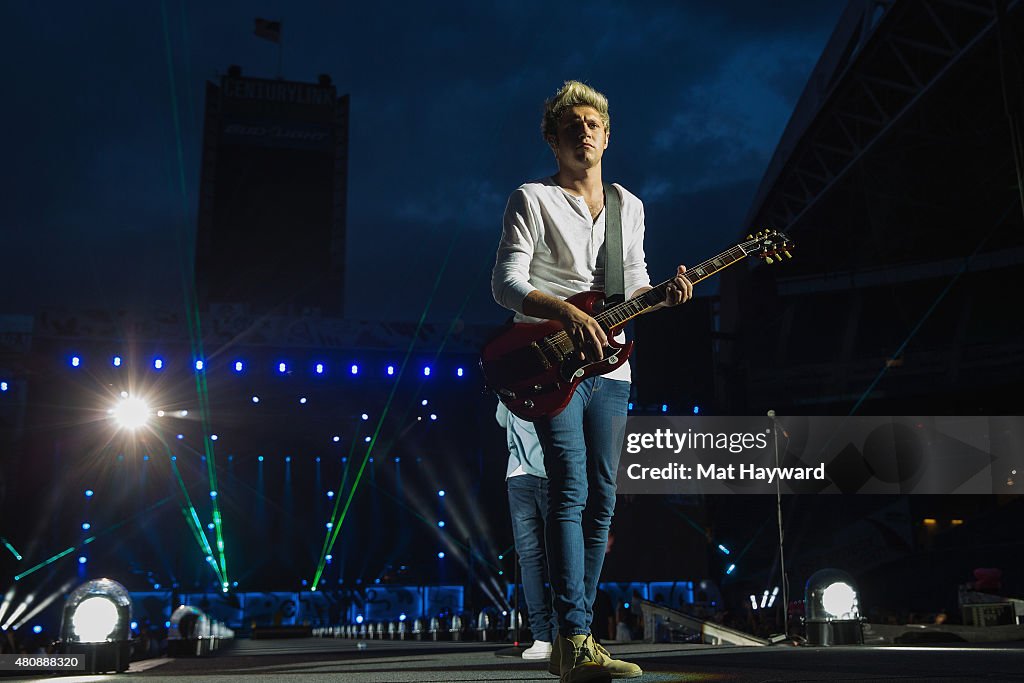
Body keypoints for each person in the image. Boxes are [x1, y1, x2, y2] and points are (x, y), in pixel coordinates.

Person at [491, 80, 692, 682]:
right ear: (553, 139)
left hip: (613, 367)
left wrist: (663, 297)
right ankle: (573, 637)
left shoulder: (629, 205)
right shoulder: (531, 198)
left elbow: (633, 284)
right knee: (570, 490)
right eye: (572, 125)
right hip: (549, 362)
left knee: (603, 500)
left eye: (593, 124)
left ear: (607, 136)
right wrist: (567, 312)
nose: (585, 131)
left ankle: (574, 641)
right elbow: (505, 283)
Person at [496, 402, 559, 660]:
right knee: (560, 554)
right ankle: (562, 635)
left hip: (519, 473)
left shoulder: (509, 378)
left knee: (530, 559)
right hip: (552, 469)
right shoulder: (555, 377)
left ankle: (542, 638)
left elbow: (501, 419)